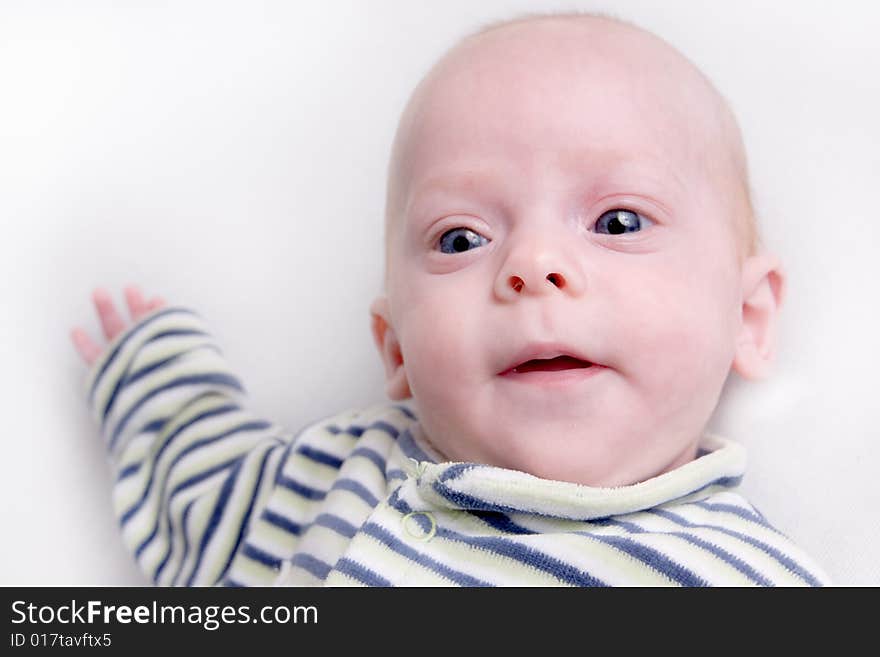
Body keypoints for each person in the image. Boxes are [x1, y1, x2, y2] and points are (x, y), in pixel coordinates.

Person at [70, 11, 829, 586]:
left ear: (749, 318)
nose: (532, 265)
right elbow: (206, 501)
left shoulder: (745, 577)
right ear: (396, 346)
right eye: (461, 239)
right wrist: (158, 381)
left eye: (618, 222)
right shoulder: (329, 474)